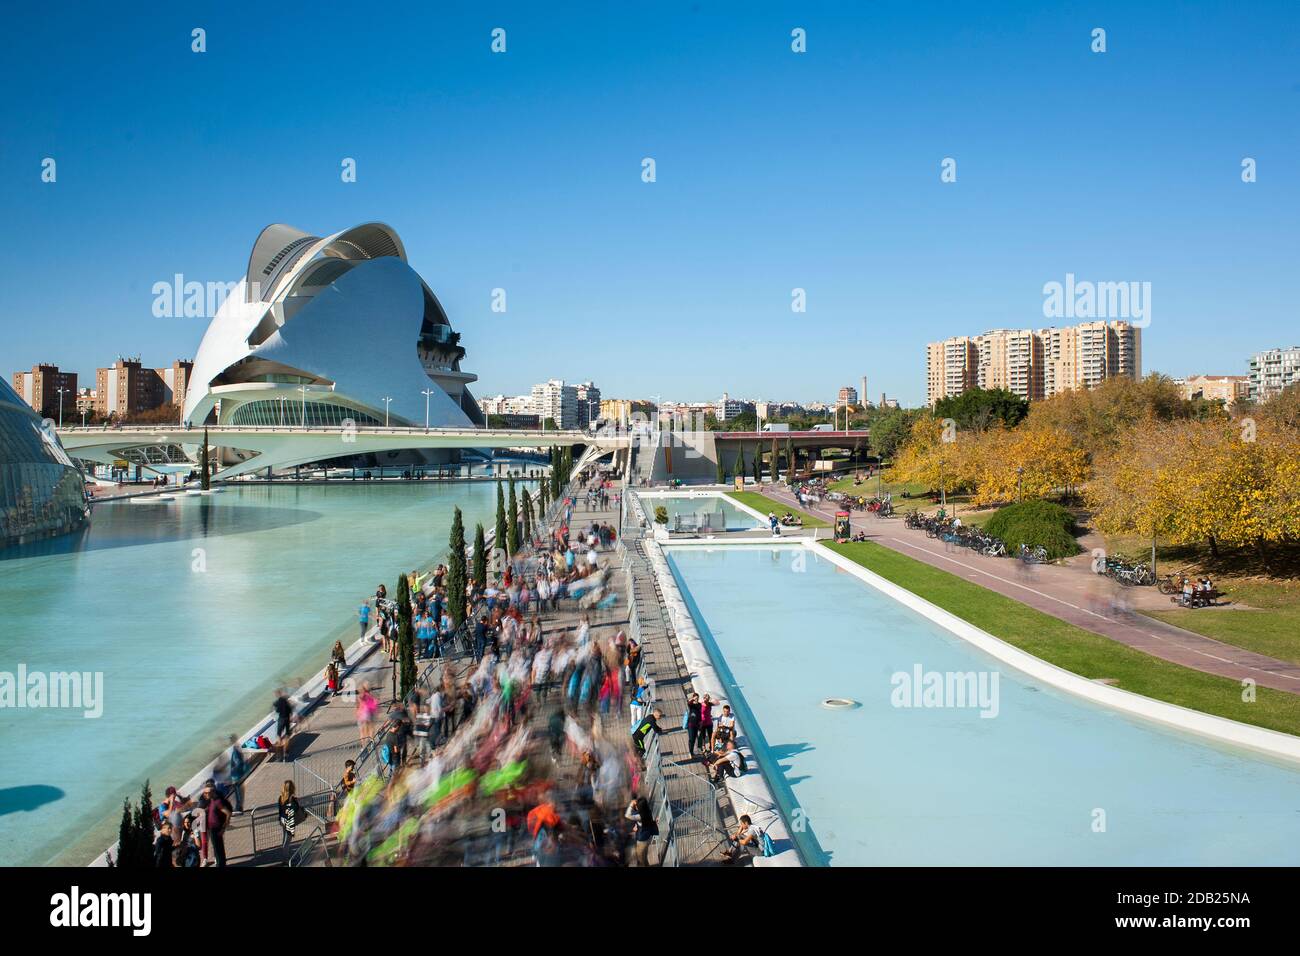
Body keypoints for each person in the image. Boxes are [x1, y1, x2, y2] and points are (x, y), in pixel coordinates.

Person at [198, 778, 232, 867]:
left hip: (216, 828)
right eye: (205, 792)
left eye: (207, 792)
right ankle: (214, 861)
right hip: (209, 826)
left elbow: (227, 812)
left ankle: (220, 862)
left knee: (218, 848)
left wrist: (224, 826)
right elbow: (205, 809)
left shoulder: (217, 799)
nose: (205, 794)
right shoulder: (209, 799)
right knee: (213, 846)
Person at [624, 795, 658, 866]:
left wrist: (631, 805)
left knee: (641, 860)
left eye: (637, 806)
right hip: (647, 837)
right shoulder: (647, 811)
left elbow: (627, 815)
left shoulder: (640, 816)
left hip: (642, 841)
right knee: (644, 858)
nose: (636, 807)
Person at [278, 780, 302, 855]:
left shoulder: (281, 797)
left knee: (284, 839)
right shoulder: (293, 799)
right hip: (289, 821)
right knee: (287, 841)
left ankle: (286, 856)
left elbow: (280, 809)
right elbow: (296, 809)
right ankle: (286, 860)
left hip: (283, 820)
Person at [273, 690, 293, 760]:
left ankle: (279, 753)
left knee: (279, 735)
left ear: (277, 695)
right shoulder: (286, 701)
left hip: (281, 719)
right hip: (287, 719)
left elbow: (277, 710)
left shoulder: (278, 702)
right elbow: (290, 710)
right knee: (287, 735)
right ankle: (286, 752)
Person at [684, 692, 702, 756]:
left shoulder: (700, 705)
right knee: (691, 739)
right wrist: (692, 699)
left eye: (697, 698)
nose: (696, 699)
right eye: (695, 698)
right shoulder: (691, 705)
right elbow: (689, 703)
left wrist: (700, 723)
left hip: (697, 724)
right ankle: (690, 752)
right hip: (691, 724)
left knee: (694, 739)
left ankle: (692, 752)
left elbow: (700, 714)